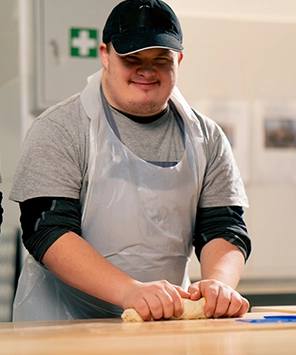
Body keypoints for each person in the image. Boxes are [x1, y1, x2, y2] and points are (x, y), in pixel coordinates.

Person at [10, 0, 251, 322]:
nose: (147, 71)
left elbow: (223, 225)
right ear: (105, 55)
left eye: (161, 60)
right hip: (63, 319)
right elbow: (47, 229)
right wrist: (130, 291)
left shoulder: (206, 136)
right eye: (132, 58)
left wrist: (219, 286)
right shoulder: (61, 128)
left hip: (165, 318)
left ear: (178, 60)